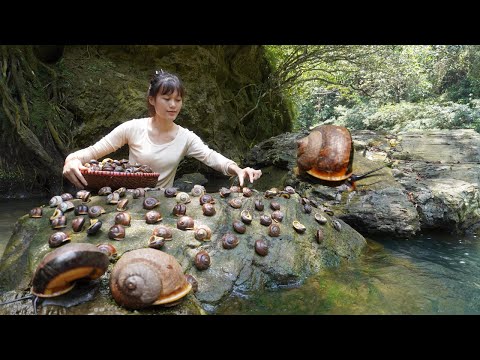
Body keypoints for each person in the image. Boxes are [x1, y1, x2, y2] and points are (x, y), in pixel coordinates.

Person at [62, 70, 262, 189]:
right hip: (126, 202)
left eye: (178, 100)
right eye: (166, 99)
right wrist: (71, 160)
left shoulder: (185, 137)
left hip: (164, 204)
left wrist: (237, 169)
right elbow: (92, 152)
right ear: (152, 100)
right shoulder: (132, 128)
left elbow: (212, 157)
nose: (173, 105)